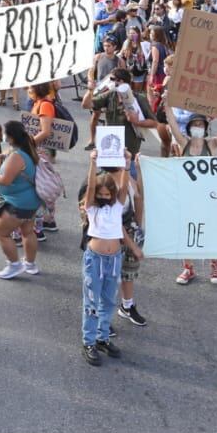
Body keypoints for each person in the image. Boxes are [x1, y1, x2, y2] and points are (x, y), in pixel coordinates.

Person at [79, 154, 141, 365]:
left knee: (107, 300)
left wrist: (126, 164)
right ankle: (89, 342)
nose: (105, 197)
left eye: (108, 194)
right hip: (94, 259)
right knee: (91, 301)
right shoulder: (92, 208)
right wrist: (92, 163)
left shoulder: (117, 207)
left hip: (114, 259)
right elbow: (89, 190)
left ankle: (102, 337)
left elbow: (123, 189)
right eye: (101, 194)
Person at [175, 113, 217, 286]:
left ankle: (214, 263)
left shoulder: (210, 145)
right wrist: (166, 105)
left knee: (210, 231)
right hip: (187, 196)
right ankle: (188, 268)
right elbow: (172, 125)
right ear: (189, 127)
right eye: (194, 124)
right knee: (188, 231)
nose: (198, 127)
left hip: (208, 196)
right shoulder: (184, 143)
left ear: (205, 127)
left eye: (200, 124)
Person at [0, 120, 42, 279]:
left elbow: (5, 180)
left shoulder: (16, 156)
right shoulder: (25, 149)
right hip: (30, 202)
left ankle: (15, 265)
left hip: (17, 204)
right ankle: (30, 264)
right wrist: (2, 156)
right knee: (28, 232)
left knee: (1, 232)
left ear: (9, 136)